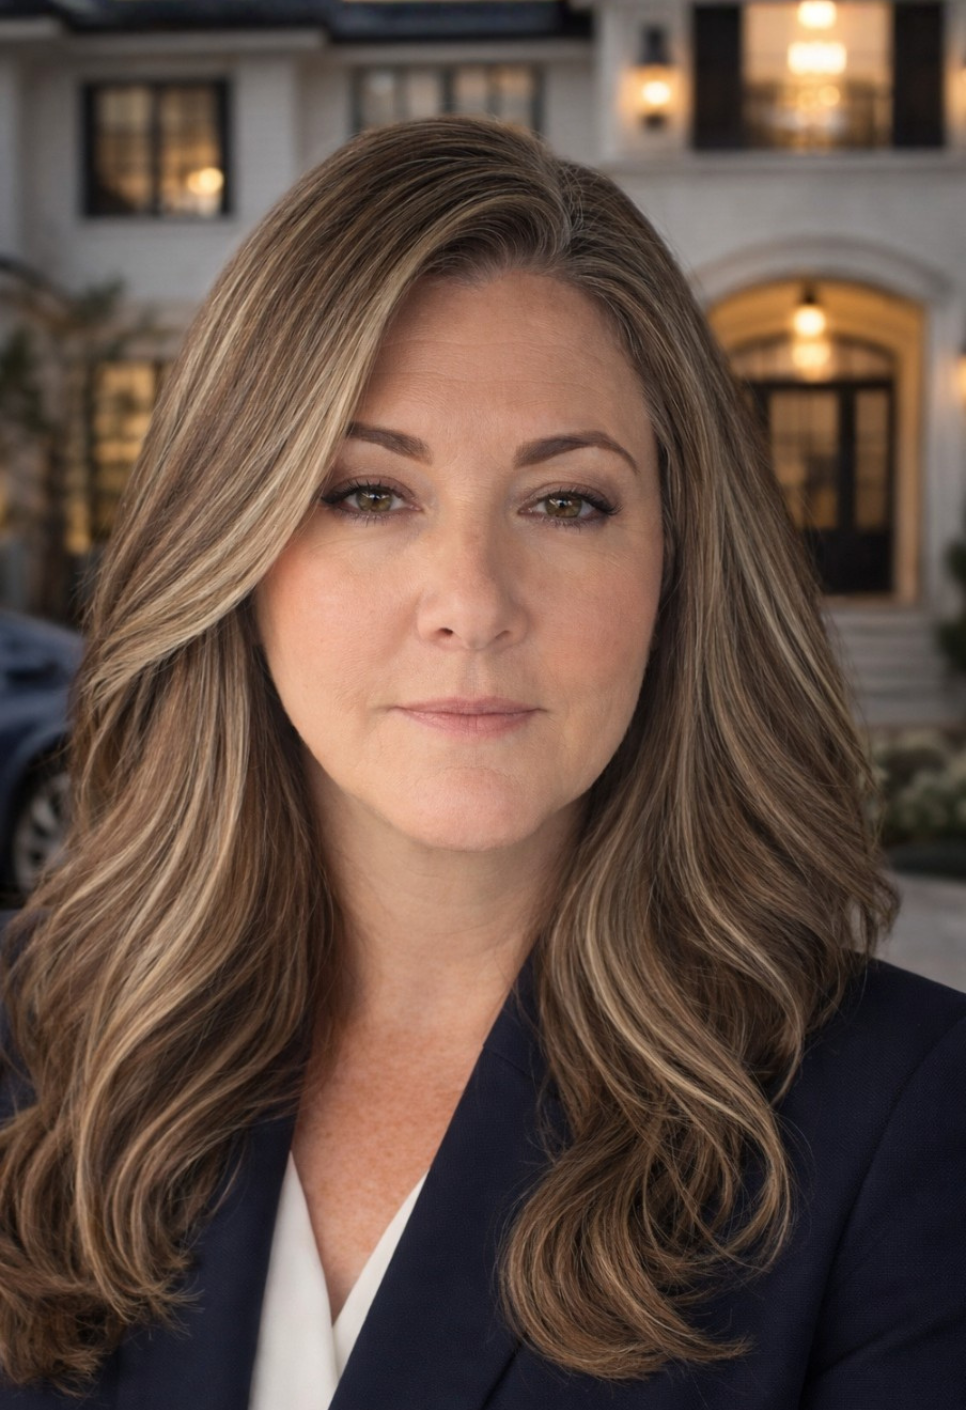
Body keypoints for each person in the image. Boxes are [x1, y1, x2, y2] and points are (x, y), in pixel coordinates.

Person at [0, 115, 963, 1410]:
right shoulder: (31, 1046)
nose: (471, 602)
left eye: (566, 502)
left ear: (678, 565)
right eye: (368, 493)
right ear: (234, 550)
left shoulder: (902, 1123)